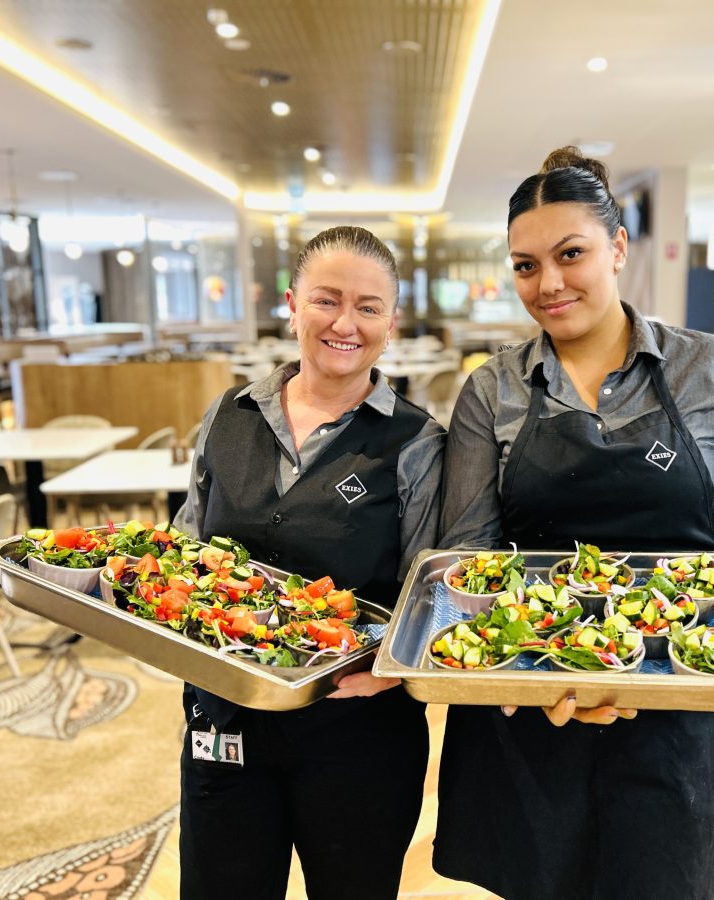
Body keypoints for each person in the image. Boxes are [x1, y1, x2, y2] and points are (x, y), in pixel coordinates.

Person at [432, 147, 714, 900]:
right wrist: (521, 673)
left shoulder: (712, 370)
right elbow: (469, 554)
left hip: (681, 700)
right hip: (532, 702)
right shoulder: (491, 391)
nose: (548, 283)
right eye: (526, 265)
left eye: (571, 254)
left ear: (618, 248)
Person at [175, 226, 444, 900]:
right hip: (225, 718)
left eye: (369, 307)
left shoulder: (416, 442)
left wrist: (395, 670)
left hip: (357, 734)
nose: (345, 324)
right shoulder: (226, 417)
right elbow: (183, 550)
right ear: (292, 306)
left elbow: (431, 593)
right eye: (326, 300)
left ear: (393, 322)